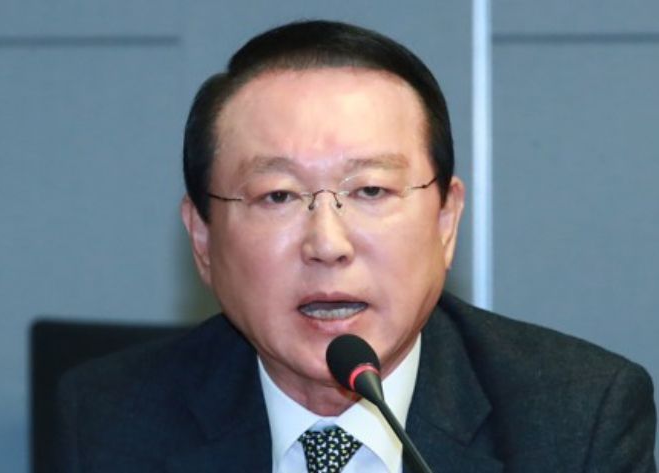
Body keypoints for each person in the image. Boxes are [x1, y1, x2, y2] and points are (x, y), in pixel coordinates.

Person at [57, 20, 656, 472]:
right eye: (277, 196)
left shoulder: (579, 419)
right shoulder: (110, 417)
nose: (327, 243)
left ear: (446, 220)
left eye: (370, 190)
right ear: (203, 239)